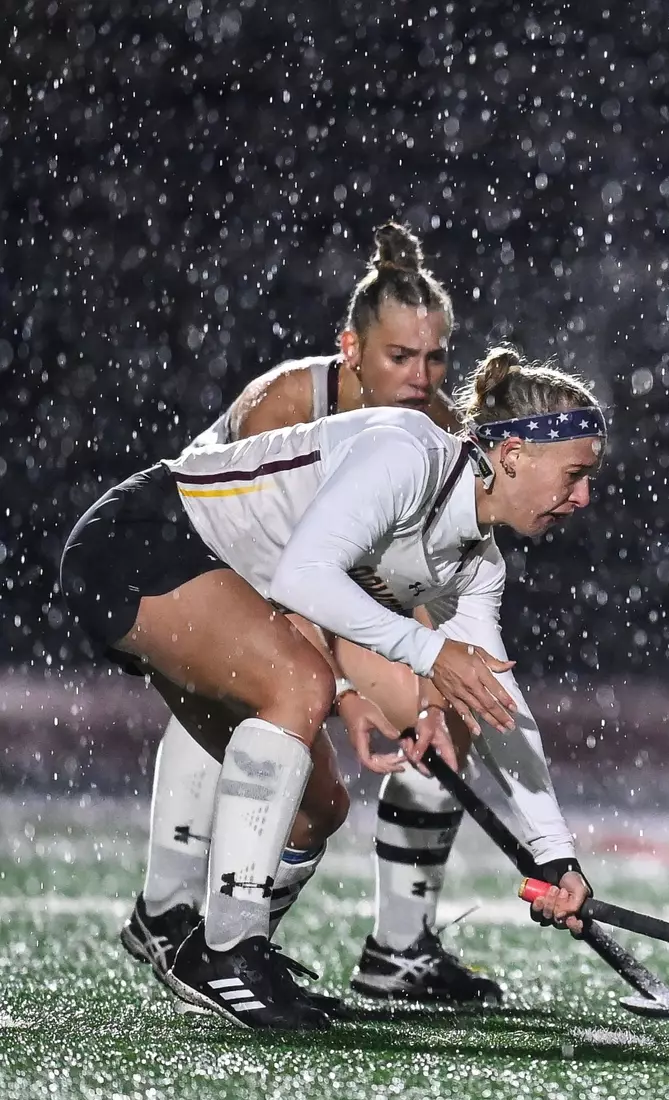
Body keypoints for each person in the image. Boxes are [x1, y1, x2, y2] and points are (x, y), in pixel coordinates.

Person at [59, 347, 601, 1029]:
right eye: (575, 474)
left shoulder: (477, 567)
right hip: (136, 539)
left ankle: (217, 949)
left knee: (320, 806)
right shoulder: (409, 453)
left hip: (204, 582)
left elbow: (499, 712)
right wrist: (431, 653)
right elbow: (304, 580)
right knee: (299, 684)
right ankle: (228, 949)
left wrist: (554, 855)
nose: (582, 498)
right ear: (515, 453)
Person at [116, 223, 529, 1005]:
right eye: (399, 357)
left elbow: (420, 577)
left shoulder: (436, 427)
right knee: (268, 702)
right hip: (211, 574)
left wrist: (432, 676)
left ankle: (399, 950)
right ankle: (172, 911)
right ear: (351, 349)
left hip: (326, 591)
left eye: (435, 357)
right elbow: (278, 577)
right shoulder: (284, 403)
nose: (420, 375)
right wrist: (347, 689)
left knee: (450, 712)